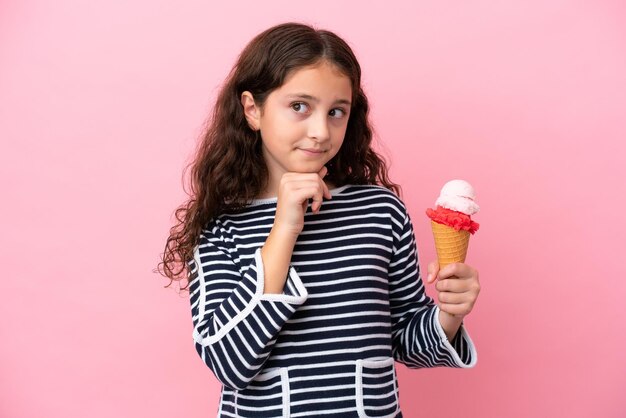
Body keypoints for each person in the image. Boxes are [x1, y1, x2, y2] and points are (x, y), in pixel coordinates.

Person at [159, 22, 480, 418]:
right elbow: (229, 363)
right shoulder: (221, 227)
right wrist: (284, 229)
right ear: (252, 109)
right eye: (299, 106)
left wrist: (449, 313)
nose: (319, 131)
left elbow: (405, 341)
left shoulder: (380, 212)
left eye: (336, 112)